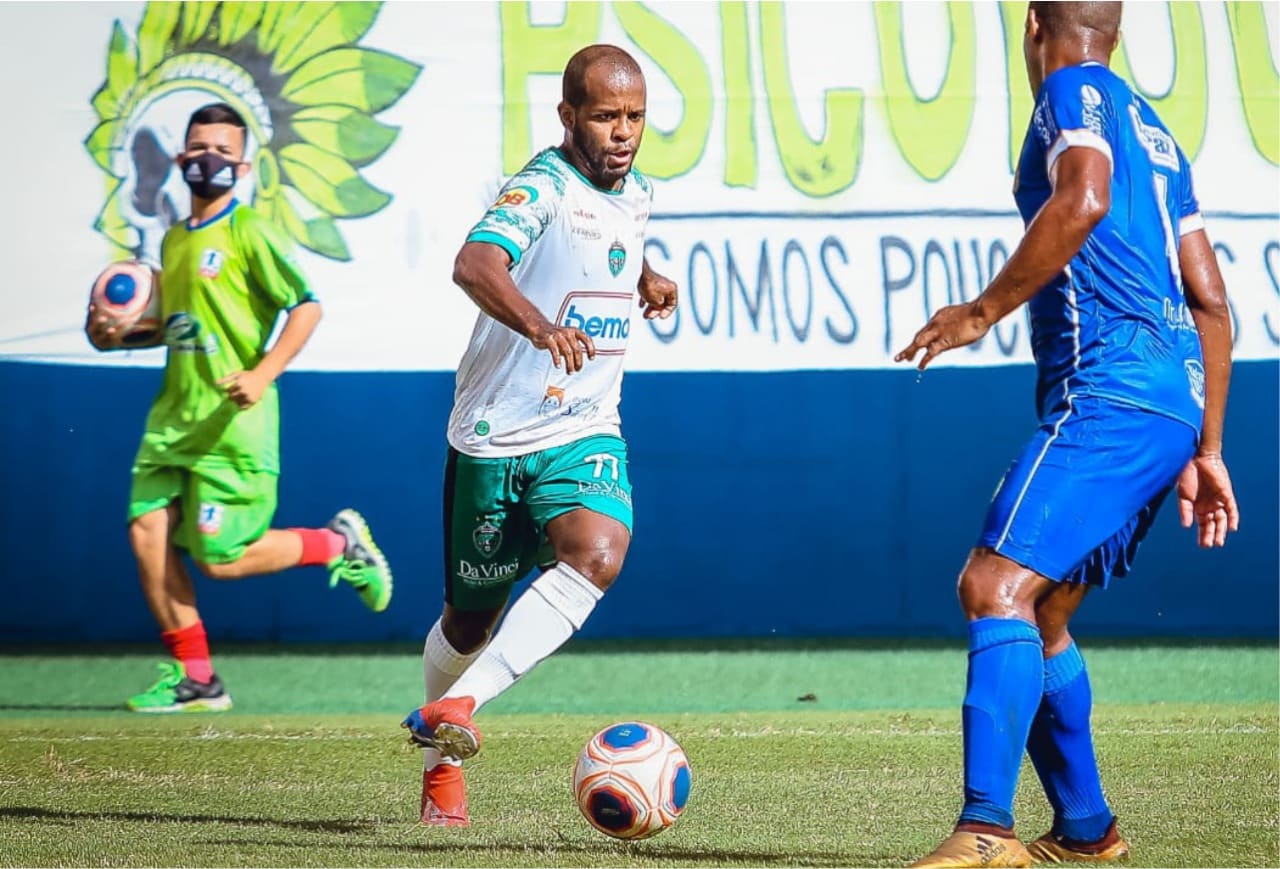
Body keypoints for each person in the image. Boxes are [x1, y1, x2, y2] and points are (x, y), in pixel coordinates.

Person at [895, 3, 1239, 866]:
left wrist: (980, 311)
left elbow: (1080, 196)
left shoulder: (1069, 91)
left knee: (992, 586)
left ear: (1035, 26)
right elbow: (1212, 303)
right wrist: (1207, 447)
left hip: (1110, 391)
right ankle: (1089, 832)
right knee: (1043, 610)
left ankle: (984, 830)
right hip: (1169, 401)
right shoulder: (1158, 133)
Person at [399, 45, 678, 826]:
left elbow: (611, 239)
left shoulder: (641, 192)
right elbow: (474, 263)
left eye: (634, 117)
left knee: (599, 551)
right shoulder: (542, 186)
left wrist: (644, 276)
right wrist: (538, 325)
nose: (623, 132)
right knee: (468, 619)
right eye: (604, 116)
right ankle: (440, 762)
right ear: (567, 116)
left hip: (585, 423)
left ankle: (461, 703)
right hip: (495, 435)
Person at [86, 102, 394, 713]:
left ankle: (337, 544)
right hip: (173, 421)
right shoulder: (174, 241)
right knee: (148, 535)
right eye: (200, 150)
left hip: (234, 426)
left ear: (245, 165)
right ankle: (197, 678)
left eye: (224, 153)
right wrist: (116, 334)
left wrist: (262, 373)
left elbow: (305, 305)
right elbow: (178, 327)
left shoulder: (249, 231)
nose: (210, 161)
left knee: (220, 560)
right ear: (180, 160)